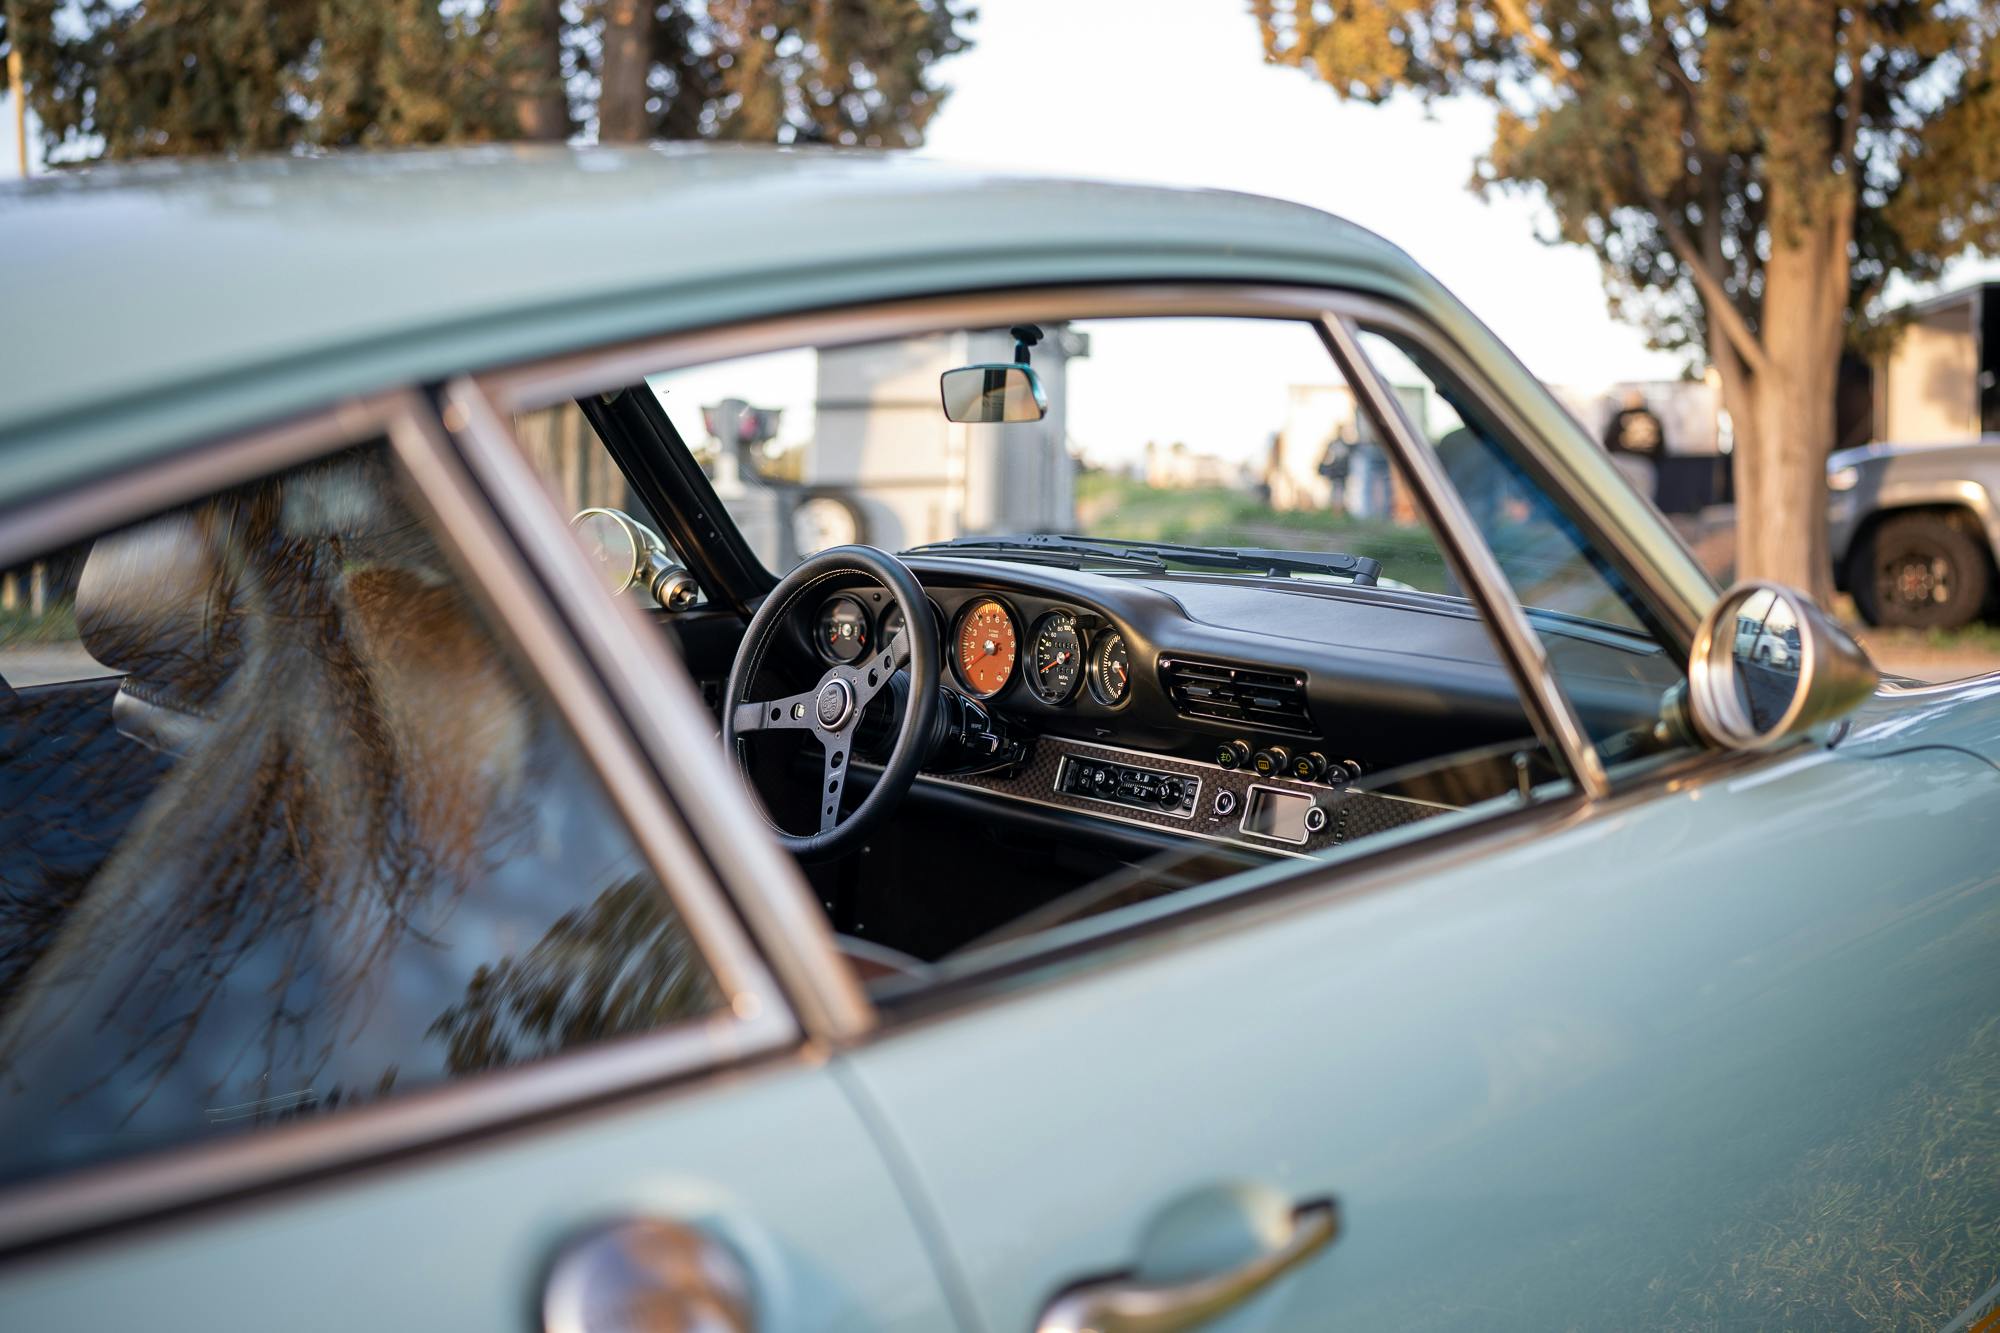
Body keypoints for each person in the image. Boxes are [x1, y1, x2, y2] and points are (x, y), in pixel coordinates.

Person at [1601, 389, 1663, 501]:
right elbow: (1661, 446)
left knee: (1616, 498)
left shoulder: (1620, 416)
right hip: (1643, 464)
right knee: (1644, 503)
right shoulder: (1653, 418)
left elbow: (1608, 440)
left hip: (1620, 462)